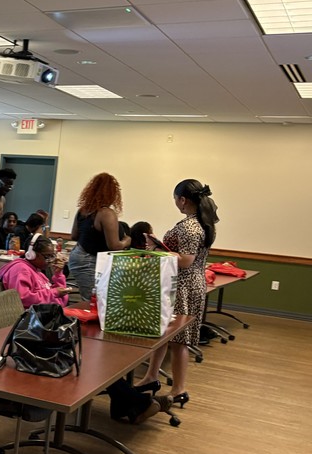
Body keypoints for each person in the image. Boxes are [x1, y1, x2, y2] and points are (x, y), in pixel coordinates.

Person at [135, 180, 220, 407]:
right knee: (165, 335)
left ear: (182, 200)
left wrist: (157, 252)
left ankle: (179, 389)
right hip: (190, 283)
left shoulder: (190, 227)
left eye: (175, 199)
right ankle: (151, 377)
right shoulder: (200, 223)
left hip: (184, 286)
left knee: (179, 340)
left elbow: (185, 260)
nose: (176, 203)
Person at [68, 172, 131, 303]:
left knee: (92, 299)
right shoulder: (106, 213)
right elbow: (114, 246)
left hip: (78, 256)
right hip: (89, 260)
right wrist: (126, 241)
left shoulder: (82, 210)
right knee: (95, 302)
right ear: (112, 193)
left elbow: (74, 236)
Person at [0, 234, 71, 307]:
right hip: (34, 317)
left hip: (52, 313)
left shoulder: (38, 272)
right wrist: (54, 293)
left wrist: (58, 275)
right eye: (47, 256)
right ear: (32, 254)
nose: (51, 260)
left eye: (52, 256)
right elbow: (23, 299)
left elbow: (62, 300)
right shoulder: (21, 270)